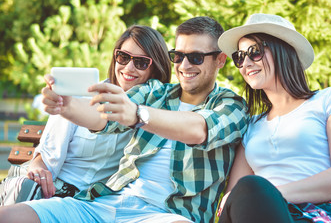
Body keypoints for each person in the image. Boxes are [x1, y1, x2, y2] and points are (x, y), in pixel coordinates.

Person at [0, 16, 249, 223]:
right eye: (178, 56)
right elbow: (104, 118)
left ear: (220, 60)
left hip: (167, 215)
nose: (184, 65)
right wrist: (67, 105)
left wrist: (139, 115)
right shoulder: (154, 92)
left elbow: (198, 130)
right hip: (107, 203)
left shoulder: (231, 106)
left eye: (195, 57)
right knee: (9, 217)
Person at [0, 25, 172, 205]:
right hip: (49, 189)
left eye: (141, 62)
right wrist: (37, 168)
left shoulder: (151, 115)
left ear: (155, 68)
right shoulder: (79, 97)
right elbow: (48, 157)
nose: (128, 68)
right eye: (123, 57)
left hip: (93, 203)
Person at [216, 13, 331, 222]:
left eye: (254, 52)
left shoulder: (330, 99)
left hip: (325, 213)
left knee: (250, 187)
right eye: (239, 57)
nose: (245, 63)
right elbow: (233, 197)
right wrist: (256, 197)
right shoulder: (251, 126)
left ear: (282, 50)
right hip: (263, 214)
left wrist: (270, 194)